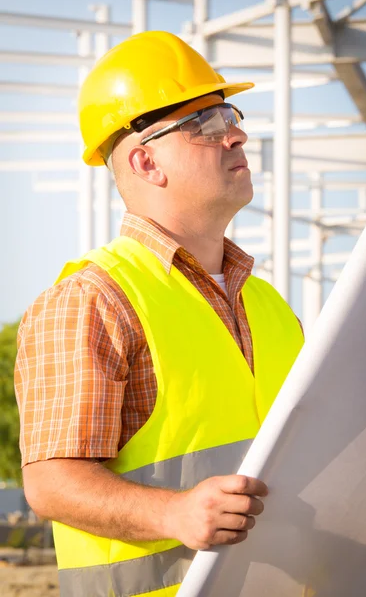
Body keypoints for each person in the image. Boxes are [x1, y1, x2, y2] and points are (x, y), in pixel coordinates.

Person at [15, 31, 304, 597]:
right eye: (209, 124)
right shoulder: (90, 300)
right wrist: (174, 515)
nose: (238, 134)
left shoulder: (269, 305)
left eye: (231, 116)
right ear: (146, 160)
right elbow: (51, 482)